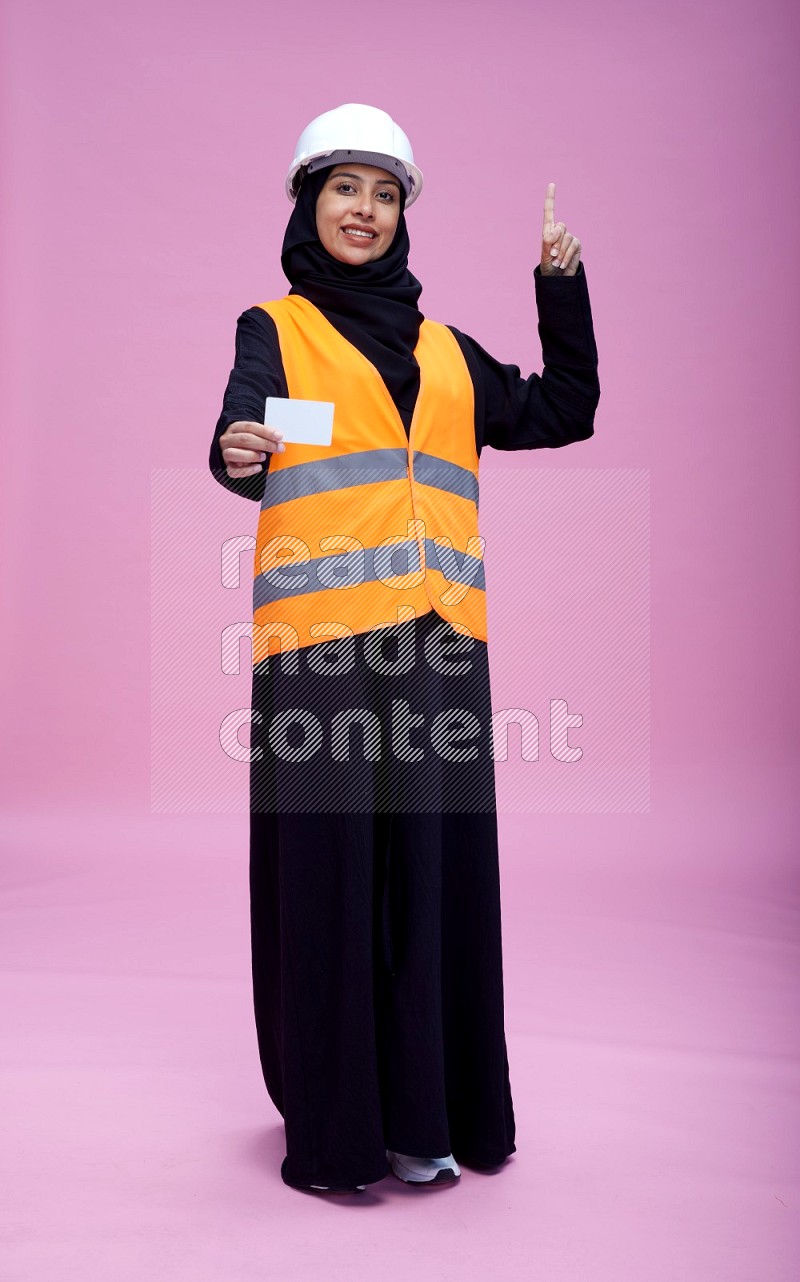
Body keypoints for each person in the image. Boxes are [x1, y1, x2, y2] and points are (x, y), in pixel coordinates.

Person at [208, 103, 600, 1195]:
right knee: (330, 882)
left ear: (403, 215)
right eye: (345, 188)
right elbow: (246, 434)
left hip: (437, 648)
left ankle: (425, 1118)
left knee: (429, 881)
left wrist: (558, 289)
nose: (364, 211)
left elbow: (563, 408)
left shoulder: (448, 352)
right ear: (308, 200)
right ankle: (335, 1134)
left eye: (385, 194)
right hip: (322, 656)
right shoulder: (273, 330)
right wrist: (237, 451)